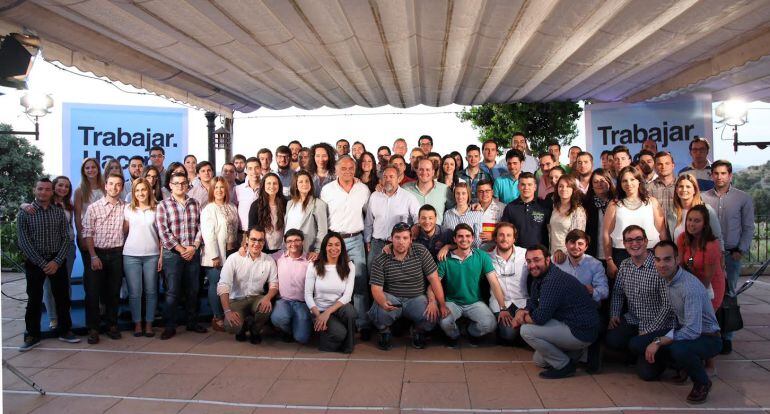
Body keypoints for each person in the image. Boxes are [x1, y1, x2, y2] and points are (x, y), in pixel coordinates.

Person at [646, 241, 722, 404]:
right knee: (639, 343)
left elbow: (693, 331)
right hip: (687, 331)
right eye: (658, 260)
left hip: (708, 337)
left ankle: (702, 383)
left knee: (678, 349)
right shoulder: (669, 278)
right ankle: (683, 368)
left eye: (667, 259)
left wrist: (659, 341)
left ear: (677, 259)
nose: (662, 264)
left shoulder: (689, 287)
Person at [515, 245, 599, 379]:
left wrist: (521, 318)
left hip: (581, 331)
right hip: (569, 323)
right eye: (529, 261)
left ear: (548, 260)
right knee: (539, 361)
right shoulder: (541, 276)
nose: (532, 265)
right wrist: (523, 310)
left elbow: (540, 318)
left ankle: (565, 366)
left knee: (526, 330)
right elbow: (532, 303)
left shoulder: (553, 280)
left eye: (537, 260)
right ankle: (575, 353)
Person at [17, 177, 79, 351]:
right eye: (40, 189)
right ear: (34, 190)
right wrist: (43, 263)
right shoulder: (25, 213)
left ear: (52, 192)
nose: (43, 192)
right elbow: (24, 242)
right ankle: (32, 335)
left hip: (56, 261)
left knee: (62, 298)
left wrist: (57, 261)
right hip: (35, 262)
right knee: (34, 299)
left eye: (47, 189)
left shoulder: (58, 212)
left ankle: (65, 330)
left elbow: (65, 238)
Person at [606, 225, 673, 381]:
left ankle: (661, 354)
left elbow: (668, 306)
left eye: (638, 239)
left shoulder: (658, 266)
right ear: (624, 244)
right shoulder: (624, 265)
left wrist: (650, 329)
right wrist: (614, 314)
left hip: (658, 325)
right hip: (634, 319)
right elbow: (617, 293)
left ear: (646, 241)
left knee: (646, 374)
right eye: (629, 240)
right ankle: (639, 350)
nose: (634, 244)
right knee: (612, 339)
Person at [701, 159, 754, 354]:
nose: (719, 177)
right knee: (709, 293)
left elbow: (748, 227)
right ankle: (711, 331)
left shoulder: (743, 198)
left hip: (732, 254)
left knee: (729, 294)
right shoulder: (703, 198)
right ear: (711, 175)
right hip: (709, 253)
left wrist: (741, 250)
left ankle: (727, 336)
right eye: (716, 173)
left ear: (730, 175)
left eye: (723, 173)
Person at [368, 223, 449, 350]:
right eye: (397, 238)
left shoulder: (420, 251)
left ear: (411, 240)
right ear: (391, 239)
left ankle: (417, 330)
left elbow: (434, 280)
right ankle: (385, 331)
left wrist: (441, 304)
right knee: (379, 311)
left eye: (405, 238)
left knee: (432, 316)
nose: (401, 242)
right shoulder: (381, 259)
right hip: (392, 297)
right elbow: (376, 288)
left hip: (416, 298)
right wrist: (383, 302)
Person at [320, 156, 372, 338]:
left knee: (359, 282)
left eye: (351, 168)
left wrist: (367, 240)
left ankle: (362, 324)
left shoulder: (363, 189)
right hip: (334, 240)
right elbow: (322, 217)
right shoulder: (327, 190)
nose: (348, 171)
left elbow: (369, 216)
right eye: (343, 168)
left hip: (356, 239)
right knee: (334, 281)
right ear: (336, 170)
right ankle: (335, 321)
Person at [438, 224, 514, 348]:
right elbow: (435, 283)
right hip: (452, 302)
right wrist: (436, 303)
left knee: (490, 324)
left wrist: (503, 308)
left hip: (474, 302)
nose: (464, 239)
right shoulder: (445, 258)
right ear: (454, 239)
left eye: (468, 236)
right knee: (444, 322)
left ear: (473, 238)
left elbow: (494, 282)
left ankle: (470, 332)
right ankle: (454, 336)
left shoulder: (482, 256)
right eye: (460, 236)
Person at [156, 172, 207, 340]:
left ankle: (192, 322)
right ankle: (170, 325)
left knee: (193, 289)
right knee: (172, 291)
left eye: (183, 183)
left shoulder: (196, 203)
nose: (180, 186)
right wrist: (179, 248)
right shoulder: (163, 205)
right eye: (176, 183)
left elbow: (201, 227)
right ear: (170, 185)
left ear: (187, 185)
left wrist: (194, 246)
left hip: (193, 252)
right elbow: (163, 231)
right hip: (173, 254)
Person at [554, 229, 608, 372]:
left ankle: (587, 357)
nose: (576, 247)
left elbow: (604, 291)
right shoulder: (558, 262)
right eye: (572, 243)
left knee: (597, 323)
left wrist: (592, 291)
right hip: (564, 309)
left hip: (587, 308)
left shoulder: (595, 264)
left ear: (586, 246)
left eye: (580, 243)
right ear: (566, 244)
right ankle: (567, 355)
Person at [82, 173, 126, 344]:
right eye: (111, 184)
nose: (115, 187)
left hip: (117, 254)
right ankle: (93, 329)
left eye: (118, 185)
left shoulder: (126, 207)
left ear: (122, 188)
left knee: (113, 292)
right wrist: (93, 256)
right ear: (105, 186)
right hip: (97, 254)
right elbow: (88, 233)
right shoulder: (94, 208)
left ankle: (112, 325)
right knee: (93, 292)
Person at [603, 166, 667, 278]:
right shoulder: (614, 204)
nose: (629, 184)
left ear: (639, 181)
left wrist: (665, 255)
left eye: (632, 179)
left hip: (651, 252)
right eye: (624, 181)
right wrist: (609, 260)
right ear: (620, 184)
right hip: (622, 254)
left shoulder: (652, 202)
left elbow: (662, 231)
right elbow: (606, 234)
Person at [218, 226, 278, 344]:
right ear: (247, 240)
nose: (256, 243)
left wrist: (267, 298)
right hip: (236, 300)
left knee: (266, 307)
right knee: (231, 326)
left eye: (260, 240)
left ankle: (255, 330)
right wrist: (227, 311)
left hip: (256, 298)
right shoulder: (234, 258)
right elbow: (223, 285)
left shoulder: (269, 260)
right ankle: (241, 328)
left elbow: (274, 284)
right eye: (253, 239)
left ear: (264, 242)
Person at [305, 232, 357, 353]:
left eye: (337, 245)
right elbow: (307, 294)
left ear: (342, 247)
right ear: (324, 247)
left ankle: (348, 346)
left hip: (338, 308)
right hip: (319, 310)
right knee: (339, 333)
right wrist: (319, 315)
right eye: (330, 245)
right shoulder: (314, 265)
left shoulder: (349, 266)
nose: (334, 248)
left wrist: (328, 313)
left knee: (350, 311)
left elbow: (347, 296)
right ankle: (326, 339)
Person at [122, 177, 161, 338]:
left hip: (152, 255)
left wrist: (161, 257)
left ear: (150, 190)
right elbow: (123, 232)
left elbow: (162, 235)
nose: (140, 193)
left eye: (143, 189)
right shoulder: (128, 209)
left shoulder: (157, 208)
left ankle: (149, 323)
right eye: (137, 190)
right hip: (131, 255)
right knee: (135, 292)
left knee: (151, 291)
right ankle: (137, 323)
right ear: (133, 193)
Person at [201, 177, 240, 332]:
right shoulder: (209, 209)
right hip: (216, 254)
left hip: (232, 251)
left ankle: (227, 315)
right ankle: (217, 317)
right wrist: (214, 255)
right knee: (215, 285)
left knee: (228, 285)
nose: (219, 190)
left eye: (222, 187)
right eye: (216, 187)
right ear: (212, 190)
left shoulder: (231, 206)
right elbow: (208, 234)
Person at [365, 166, 420, 270]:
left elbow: (418, 218)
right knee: (372, 274)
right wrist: (367, 241)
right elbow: (369, 220)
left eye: (391, 176)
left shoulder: (408, 197)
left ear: (398, 179)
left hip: (398, 244)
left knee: (396, 276)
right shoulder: (374, 196)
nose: (388, 180)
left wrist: (413, 232)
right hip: (377, 244)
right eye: (385, 177)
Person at [677, 205, 725, 311]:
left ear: (704, 224)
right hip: (692, 284)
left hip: (710, 288)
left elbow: (707, 280)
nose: (691, 224)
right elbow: (684, 262)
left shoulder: (711, 245)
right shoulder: (683, 238)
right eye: (689, 220)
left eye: (697, 221)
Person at [487, 222, 528, 344]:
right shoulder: (486, 257)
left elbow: (545, 262)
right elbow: (466, 251)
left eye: (509, 235)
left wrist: (559, 253)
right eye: (501, 235)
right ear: (495, 237)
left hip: (523, 302)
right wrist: (448, 247)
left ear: (514, 238)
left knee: (530, 330)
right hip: (500, 304)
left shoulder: (525, 254)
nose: (505, 239)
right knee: (508, 335)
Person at [271, 229, 313, 343]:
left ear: (303, 242)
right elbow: (261, 256)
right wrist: (244, 249)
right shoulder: (278, 256)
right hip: (284, 301)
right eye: (289, 241)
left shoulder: (310, 260)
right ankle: (287, 330)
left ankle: (298, 325)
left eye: (296, 240)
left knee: (302, 338)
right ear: (285, 243)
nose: (293, 244)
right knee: (278, 318)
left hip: (302, 303)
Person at [285, 170, 328, 260]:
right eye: (301, 181)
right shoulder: (290, 203)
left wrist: (317, 250)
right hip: (289, 251)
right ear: (296, 185)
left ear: (311, 184)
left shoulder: (318, 204)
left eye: (307, 181)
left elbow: (322, 231)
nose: (304, 184)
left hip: (307, 251)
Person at [501, 173, 551, 249]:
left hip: (540, 253)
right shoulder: (510, 207)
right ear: (518, 187)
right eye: (523, 184)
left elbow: (551, 231)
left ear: (535, 187)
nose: (526, 188)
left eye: (529, 184)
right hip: (517, 254)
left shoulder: (545, 206)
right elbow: (505, 232)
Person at [668, 174, 722, 245]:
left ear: (694, 190)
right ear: (676, 190)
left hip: (701, 254)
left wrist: (721, 252)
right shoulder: (672, 211)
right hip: (678, 254)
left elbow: (717, 236)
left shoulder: (706, 209)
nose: (684, 189)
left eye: (688, 187)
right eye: (681, 186)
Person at [74, 158, 104, 271]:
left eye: (93, 167)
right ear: (83, 171)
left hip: (103, 235)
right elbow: (77, 216)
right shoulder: (79, 190)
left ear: (98, 169)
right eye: (87, 168)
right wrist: (82, 236)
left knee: (102, 268)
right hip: (87, 234)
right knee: (90, 269)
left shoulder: (105, 187)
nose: (90, 170)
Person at [402, 158, 450, 225]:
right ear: (417, 171)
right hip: (412, 233)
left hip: (438, 234)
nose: (424, 172)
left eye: (427, 170)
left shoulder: (444, 189)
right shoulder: (405, 189)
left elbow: (454, 209)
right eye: (421, 169)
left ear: (433, 172)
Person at [248, 173, 287, 254]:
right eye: (269, 183)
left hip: (282, 249)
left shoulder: (285, 203)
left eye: (275, 183)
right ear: (263, 186)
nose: (272, 186)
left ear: (279, 186)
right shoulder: (255, 205)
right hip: (262, 250)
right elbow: (251, 229)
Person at [582, 169, 615, 261]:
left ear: (609, 182)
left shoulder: (617, 202)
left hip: (614, 252)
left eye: (603, 181)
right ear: (591, 186)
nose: (599, 184)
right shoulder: (586, 204)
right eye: (595, 182)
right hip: (592, 252)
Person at [548, 176, 586, 255]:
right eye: (561, 186)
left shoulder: (578, 211)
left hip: (569, 256)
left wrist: (565, 253)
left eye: (568, 186)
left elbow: (578, 238)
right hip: (553, 254)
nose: (564, 189)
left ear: (573, 189)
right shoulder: (554, 207)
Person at [443, 183, 483, 249]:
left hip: (471, 253)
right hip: (452, 252)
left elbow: (477, 240)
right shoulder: (447, 214)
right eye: (457, 193)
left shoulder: (477, 213)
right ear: (454, 195)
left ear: (468, 195)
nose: (460, 196)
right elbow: (446, 237)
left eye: (463, 193)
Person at [234, 157, 261, 236]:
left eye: (256, 168)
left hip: (261, 232)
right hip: (243, 233)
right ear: (246, 170)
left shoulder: (266, 188)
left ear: (261, 169)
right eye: (250, 168)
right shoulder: (238, 189)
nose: (254, 171)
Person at [476, 180, 505, 250]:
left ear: (492, 192)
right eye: (481, 191)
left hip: (494, 250)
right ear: (477, 193)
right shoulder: (472, 208)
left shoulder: (502, 208)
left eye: (487, 191)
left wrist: (494, 236)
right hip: (475, 251)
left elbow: (507, 230)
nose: (484, 194)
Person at [649, 151, 677, 220]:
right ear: (655, 167)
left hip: (680, 228)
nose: (663, 167)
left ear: (673, 165)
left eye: (667, 163)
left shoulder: (682, 185)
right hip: (657, 228)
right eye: (659, 164)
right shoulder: (649, 188)